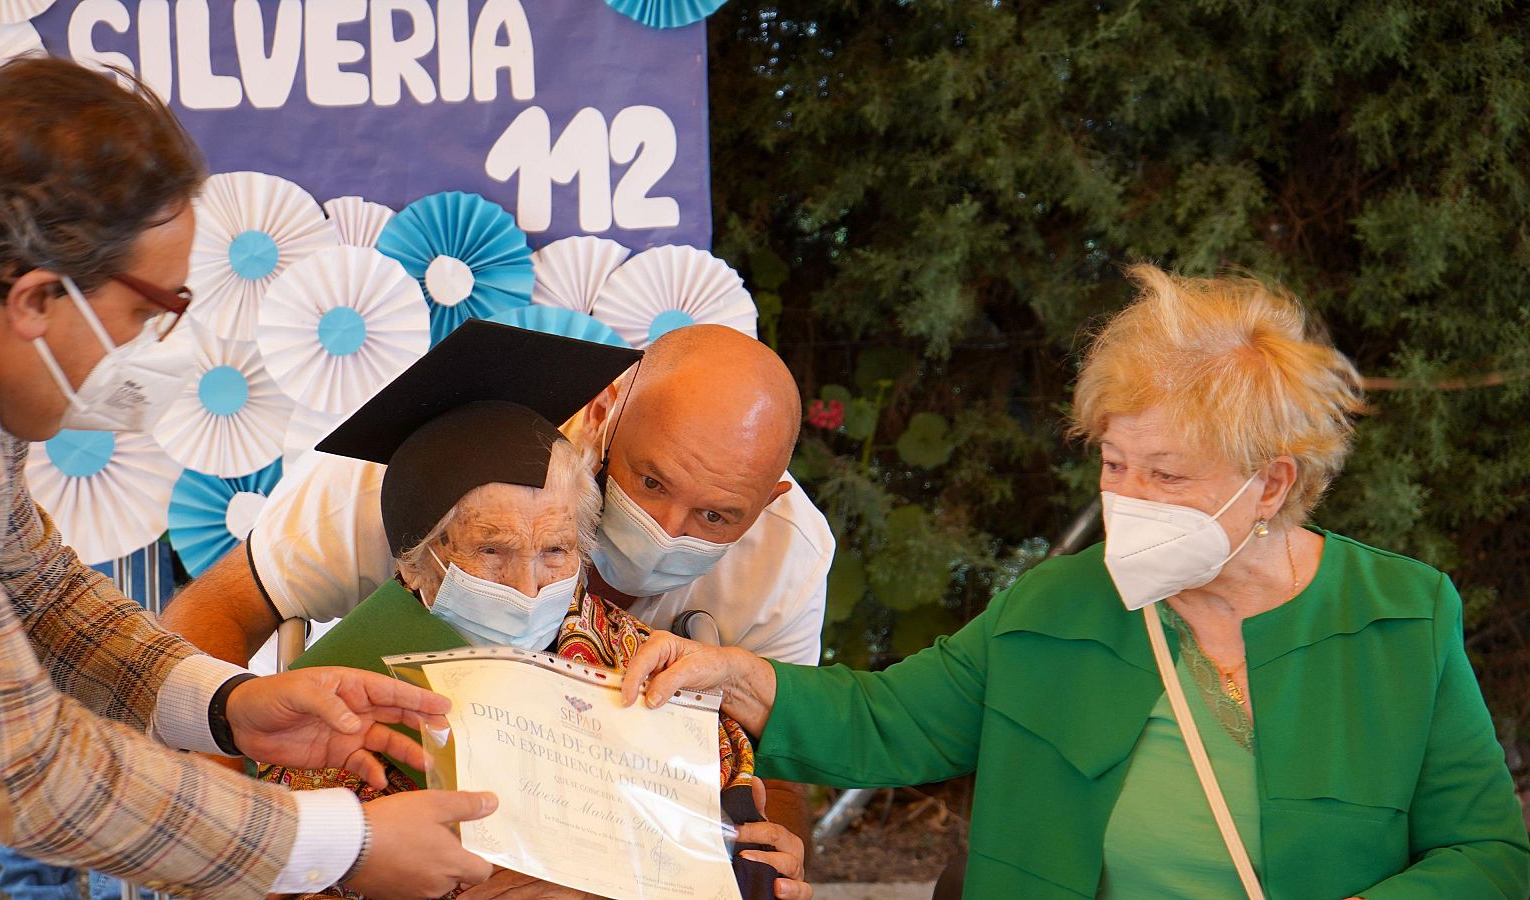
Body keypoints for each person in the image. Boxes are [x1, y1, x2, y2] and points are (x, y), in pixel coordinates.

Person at [619, 265, 1530, 899]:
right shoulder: (1057, 606)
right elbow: (885, 719)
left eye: (1167, 476)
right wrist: (728, 674)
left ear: (1275, 484)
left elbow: (1491, 854)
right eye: (1114, 462)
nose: (1127, 499)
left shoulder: (1404, 615)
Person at [0, 57, 498, 900]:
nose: (151, 350)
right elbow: (28, 768)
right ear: (38, 297)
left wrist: (227, 703)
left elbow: (39, 587)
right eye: (148, 312)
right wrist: (341, 842)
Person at [162, 321, 830, 836]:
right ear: (604, 413)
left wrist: (760, 855)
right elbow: (216, 612)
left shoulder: (787, 556)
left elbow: (778, 767)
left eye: (715, 516)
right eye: (650, 480)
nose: (666, 525)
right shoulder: (428, 461)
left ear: (766, 504)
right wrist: (235, 834)